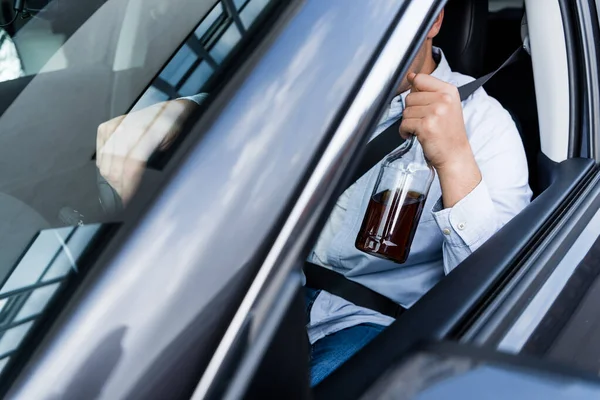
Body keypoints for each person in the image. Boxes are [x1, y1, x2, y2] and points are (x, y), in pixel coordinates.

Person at [96, 9, 531, 387]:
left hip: (368, 322)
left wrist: (454, 161)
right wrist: (179, 114)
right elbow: (247, 106)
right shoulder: (319, 87)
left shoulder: (486, 125)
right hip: (266, 292)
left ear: (433, 20)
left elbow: (499, 295)